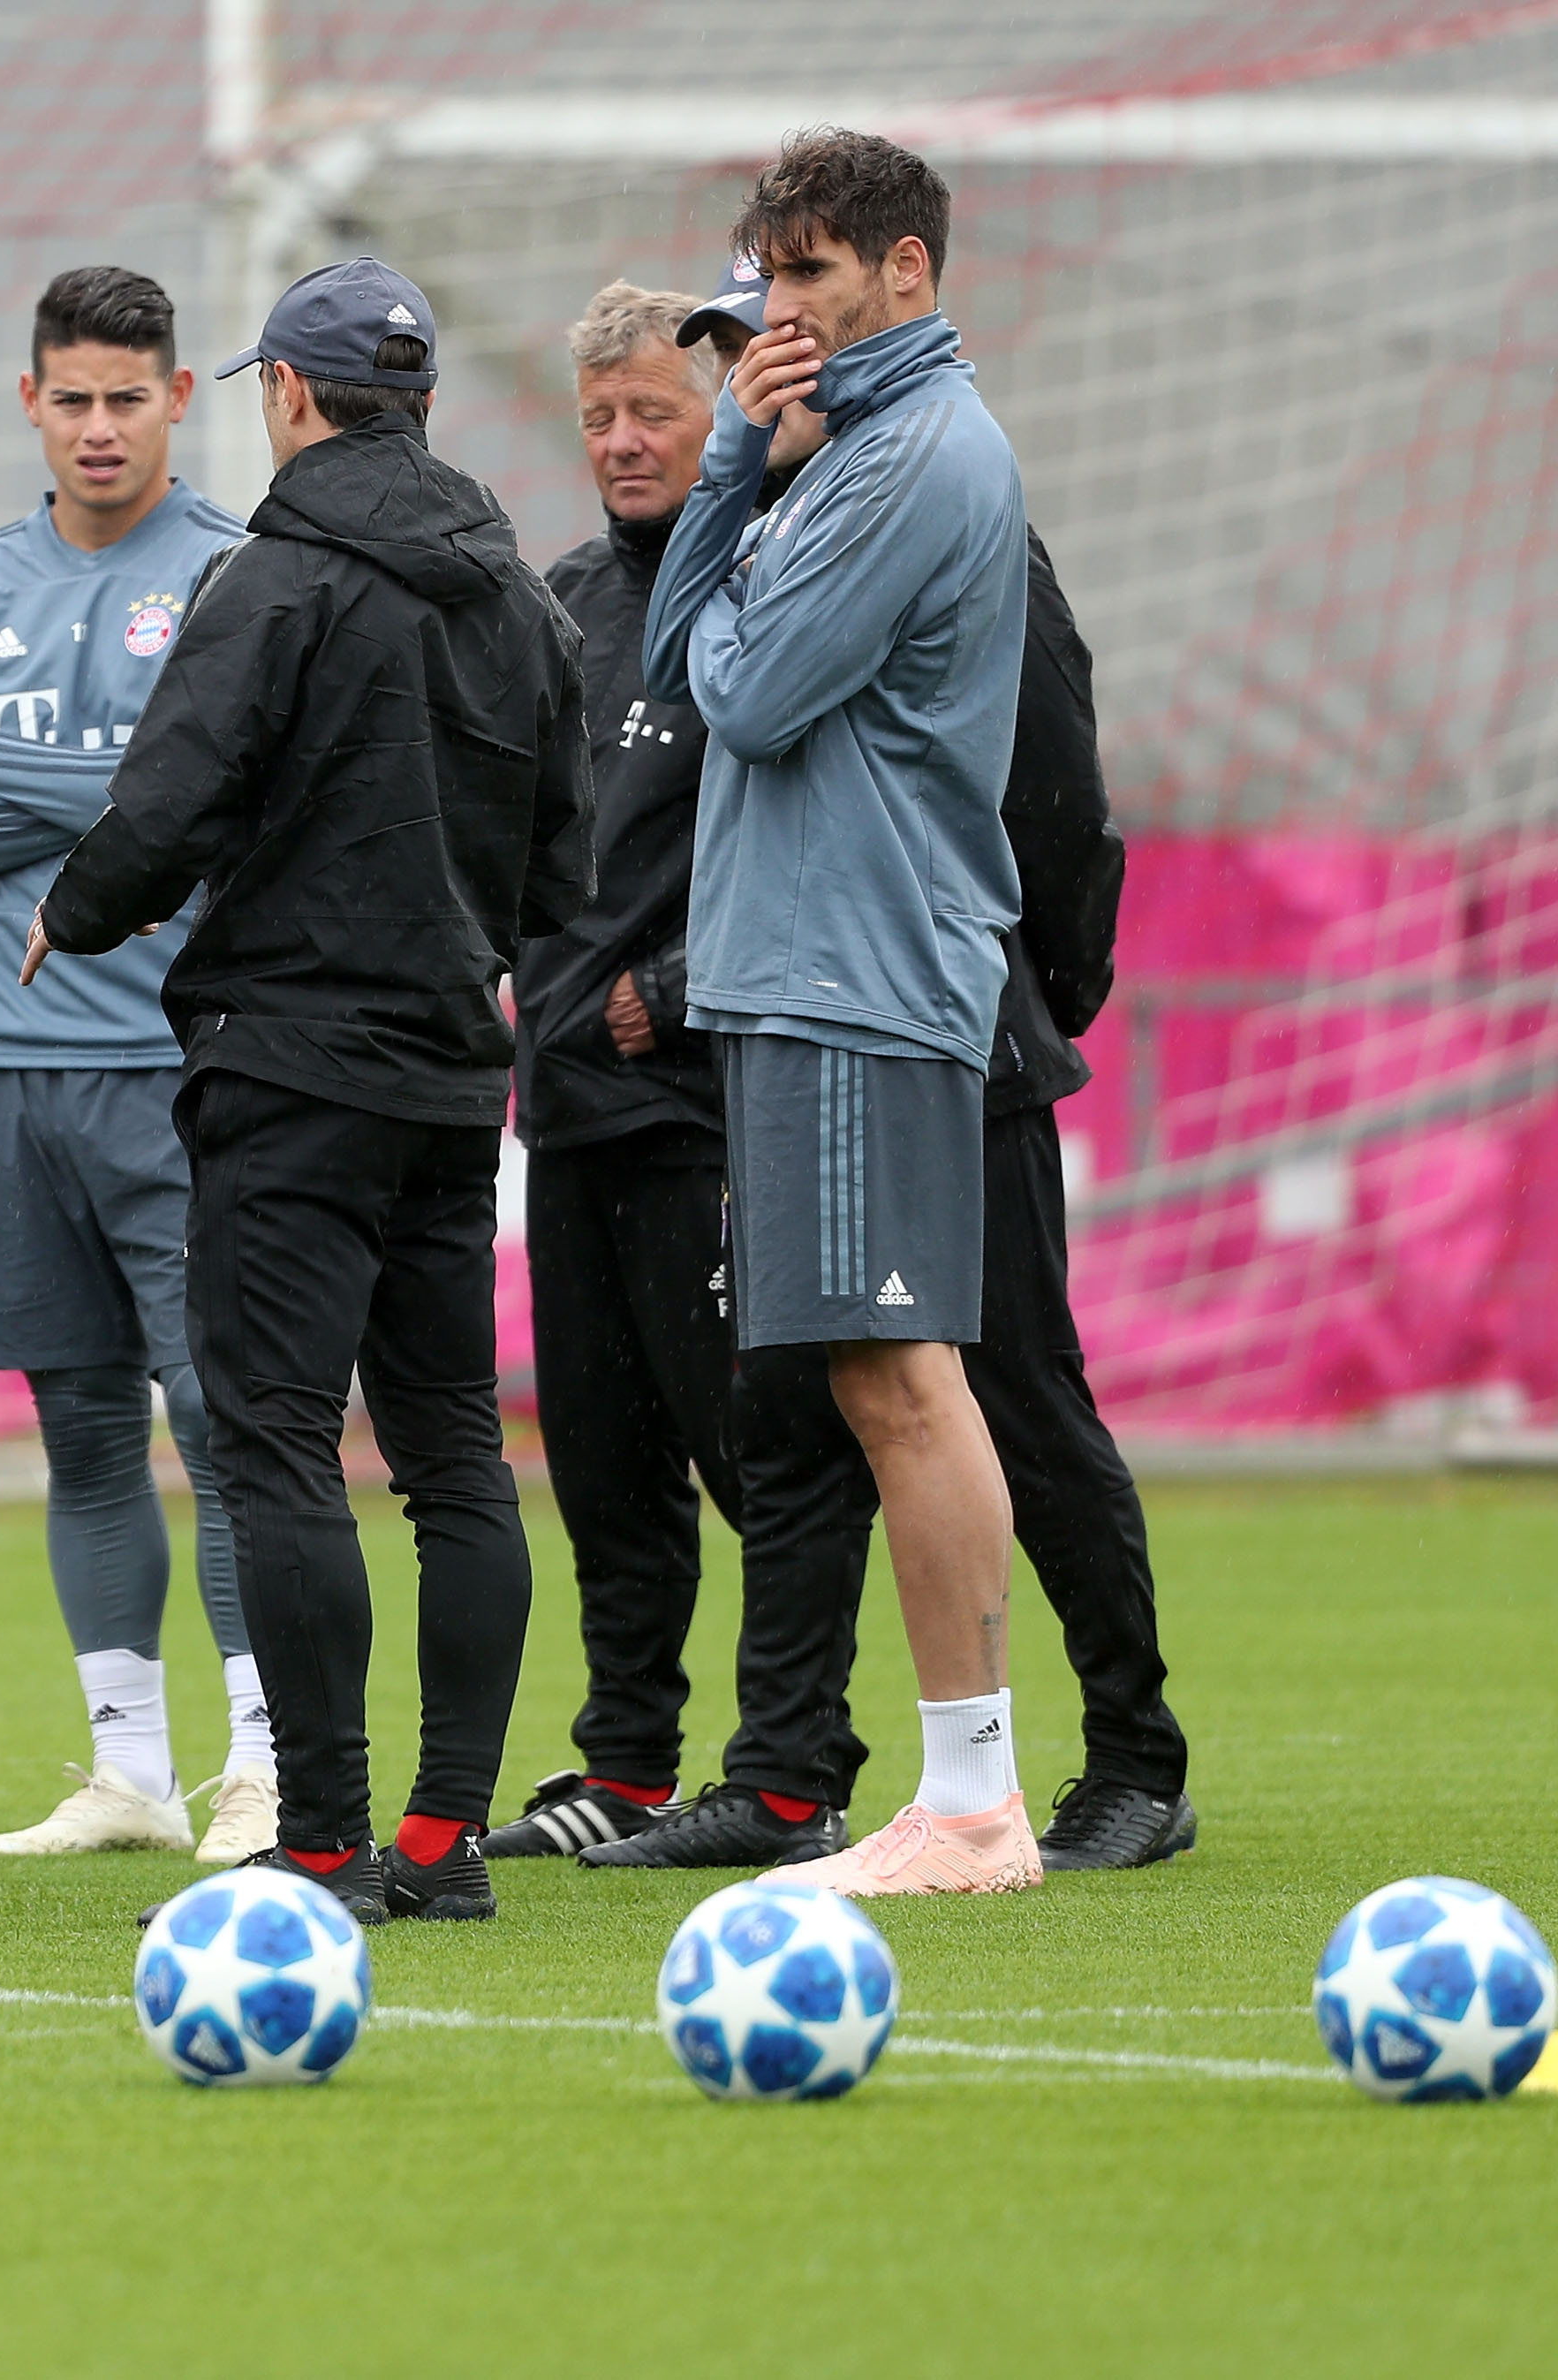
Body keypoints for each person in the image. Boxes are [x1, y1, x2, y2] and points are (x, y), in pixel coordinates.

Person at [579, 261, 1194, 1875]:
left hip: (944, 1021)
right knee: (797, 1405)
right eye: (726, 359)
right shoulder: (741, 542)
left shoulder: (941, 518)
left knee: (1015, 1392)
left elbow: (1055, 793)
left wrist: (1035, 992)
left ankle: (1132, 1750)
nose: (751, 381)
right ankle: (793, 1768)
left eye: (758, 348)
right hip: (793, 1020)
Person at [35, 255, 585, 1927]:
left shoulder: (275, 578)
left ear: (286, 393)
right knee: (454, 1460)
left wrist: (82, 907)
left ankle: (328, 1838)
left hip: (283, 1069)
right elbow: (565, 864)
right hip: (446, 1072)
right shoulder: (519, 597)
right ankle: (445, 1839)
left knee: (275, 1448)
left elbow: (174, 793)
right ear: (417, 401)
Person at [640, 130, 1043, 1899]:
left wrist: (737, 489)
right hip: (808, 967)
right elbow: (676, 666)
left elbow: (745, 687)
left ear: (901, 269)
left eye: (807, 274)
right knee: (876, 1377)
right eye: (765, 275)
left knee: (899, 1380)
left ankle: (971, 1802)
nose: (775, 311)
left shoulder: (908, 457)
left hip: (857, 969)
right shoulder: (831, 453)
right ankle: (965, 1796)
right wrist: (734, 472)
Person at [0, 267, 272, 1862]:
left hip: (177, 1068)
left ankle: (262, 1759)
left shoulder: (238, 581)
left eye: (131, 397)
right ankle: (130, 1767)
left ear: (180, 402)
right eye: (75, 398)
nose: (102, 426)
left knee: (228, 1415)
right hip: (13, 1066)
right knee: (79, 1426)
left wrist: (30, 779)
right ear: (32, 404)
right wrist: (125, 788)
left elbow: (235, 810)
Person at [480, 277, 848, 1866]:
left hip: (712, 1102)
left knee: (762, 1455)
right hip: (566, 1107)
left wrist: (678, 992)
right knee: (608, 1467)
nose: (627, 443)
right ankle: (625, 1764)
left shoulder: (780, 578)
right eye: (602, 421)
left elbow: (840, 829)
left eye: (657, 415)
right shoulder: (557, 605)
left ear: (727, 423)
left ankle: (792, 1766)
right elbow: (525, 849)